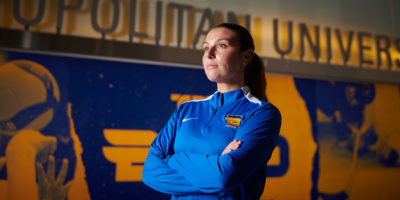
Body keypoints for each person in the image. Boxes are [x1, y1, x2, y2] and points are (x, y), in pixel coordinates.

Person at [142, 23, 281, 200]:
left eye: (221, 45)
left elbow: (224, 177)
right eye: (206, 47)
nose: (209, 54)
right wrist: (216, 166)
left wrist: (174, 159)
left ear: (246, 56)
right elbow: (149, 173)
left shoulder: (262, 113)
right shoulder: (186, 109)